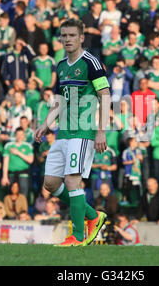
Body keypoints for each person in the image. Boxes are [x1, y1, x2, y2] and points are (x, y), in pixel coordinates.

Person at [34, 18, 109, 246]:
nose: (67, 39)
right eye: (63, 35)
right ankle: (93, 215)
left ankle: (77, 237)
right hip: (63, 132)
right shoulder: (61, 65)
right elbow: (58, 100)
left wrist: (101, 131)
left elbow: (104, 95)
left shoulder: (91, 63)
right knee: (50, 183)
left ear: (81, 38)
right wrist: (46, 122)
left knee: (72, 180)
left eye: (71, 35)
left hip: (83, 131)